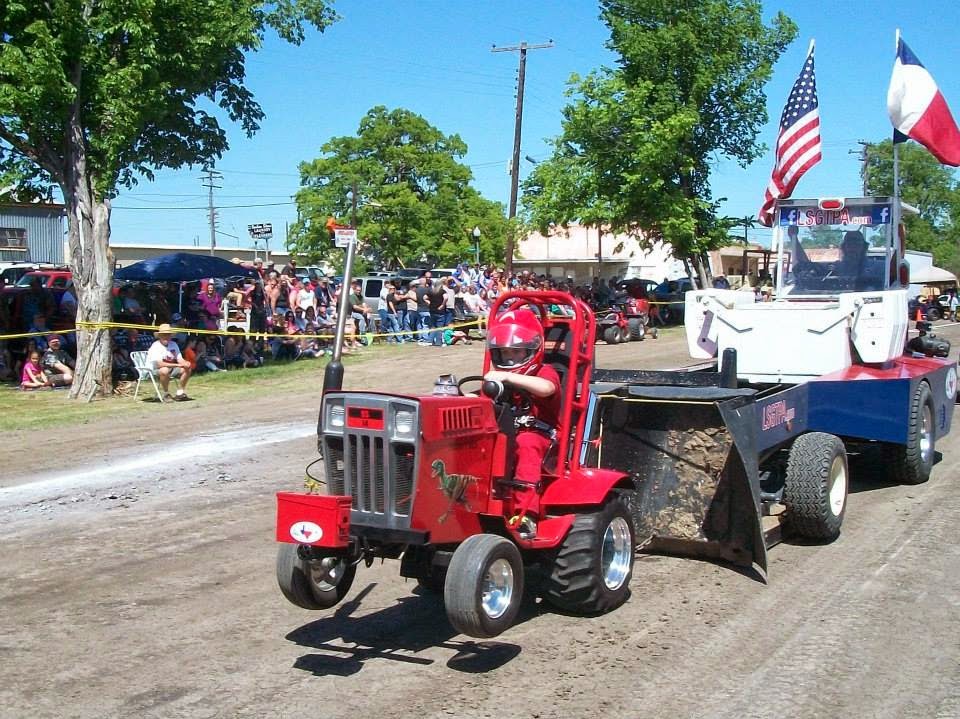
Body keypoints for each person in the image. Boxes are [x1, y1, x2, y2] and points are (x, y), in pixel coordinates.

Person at [484, 308, 560, 489]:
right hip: (507, 432)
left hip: (543, 437)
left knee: (526, 443)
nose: (510, 359)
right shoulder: (498, 377)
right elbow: (484, 400)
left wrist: (508, 377)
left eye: (516, 352)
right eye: (505, 353)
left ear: (531, 350)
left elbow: (546, 388)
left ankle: (526, 512)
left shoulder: (544, 372)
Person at [145, 323, 192, 401]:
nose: (166, 337)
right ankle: (166, 394)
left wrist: (185, 363)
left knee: (187, 368)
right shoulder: (155, 346)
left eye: (168, 335)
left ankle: (180, 393)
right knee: (164, 370)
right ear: (159, 336)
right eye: (164, 335)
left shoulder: (173, 344)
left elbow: (179, 359)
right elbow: (159, 364)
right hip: (153, 370)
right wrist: (178, 365)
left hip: (171, 368)